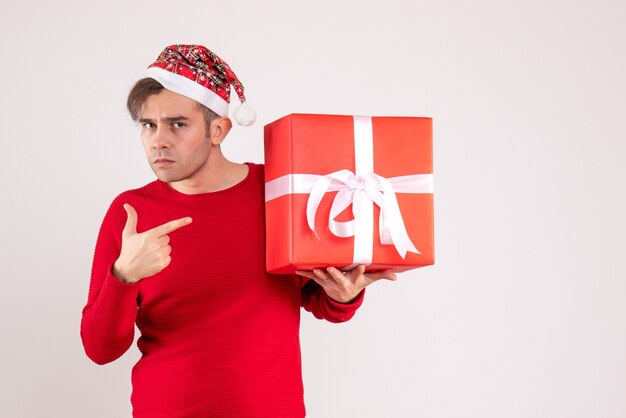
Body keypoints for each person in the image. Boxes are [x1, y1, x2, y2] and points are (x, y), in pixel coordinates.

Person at [80, 44, 397, 418]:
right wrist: (123, 277)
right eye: (148, 125)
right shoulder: (130, 212)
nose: (158, 140)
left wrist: (343, 295)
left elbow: (321, 299)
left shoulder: (280, 192)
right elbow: (101, 350)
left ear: (218, 130)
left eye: (177, 124)